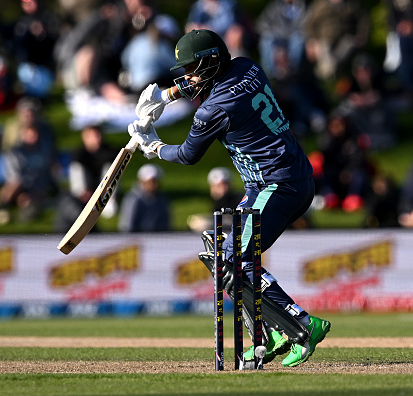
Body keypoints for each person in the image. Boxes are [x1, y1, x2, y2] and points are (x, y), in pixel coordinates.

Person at [128, 29, 330, 367]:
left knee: (235, 262)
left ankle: (302, 325)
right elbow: (208, 80)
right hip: (286, 178)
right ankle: (269, 335)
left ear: (209, 63)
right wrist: (165, 96)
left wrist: (155, 146)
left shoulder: (214, 111)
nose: (189, 77)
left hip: (276, 185)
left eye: (192, 68)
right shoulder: (248, 67)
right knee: (223, 259)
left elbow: (189, 154)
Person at [118, 163, 171, 233]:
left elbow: (166, 225)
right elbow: (127, 227)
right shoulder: (132, 199)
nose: (156, 185)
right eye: (152, 181)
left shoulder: (162, 199)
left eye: (157, 181)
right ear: (142, 181)